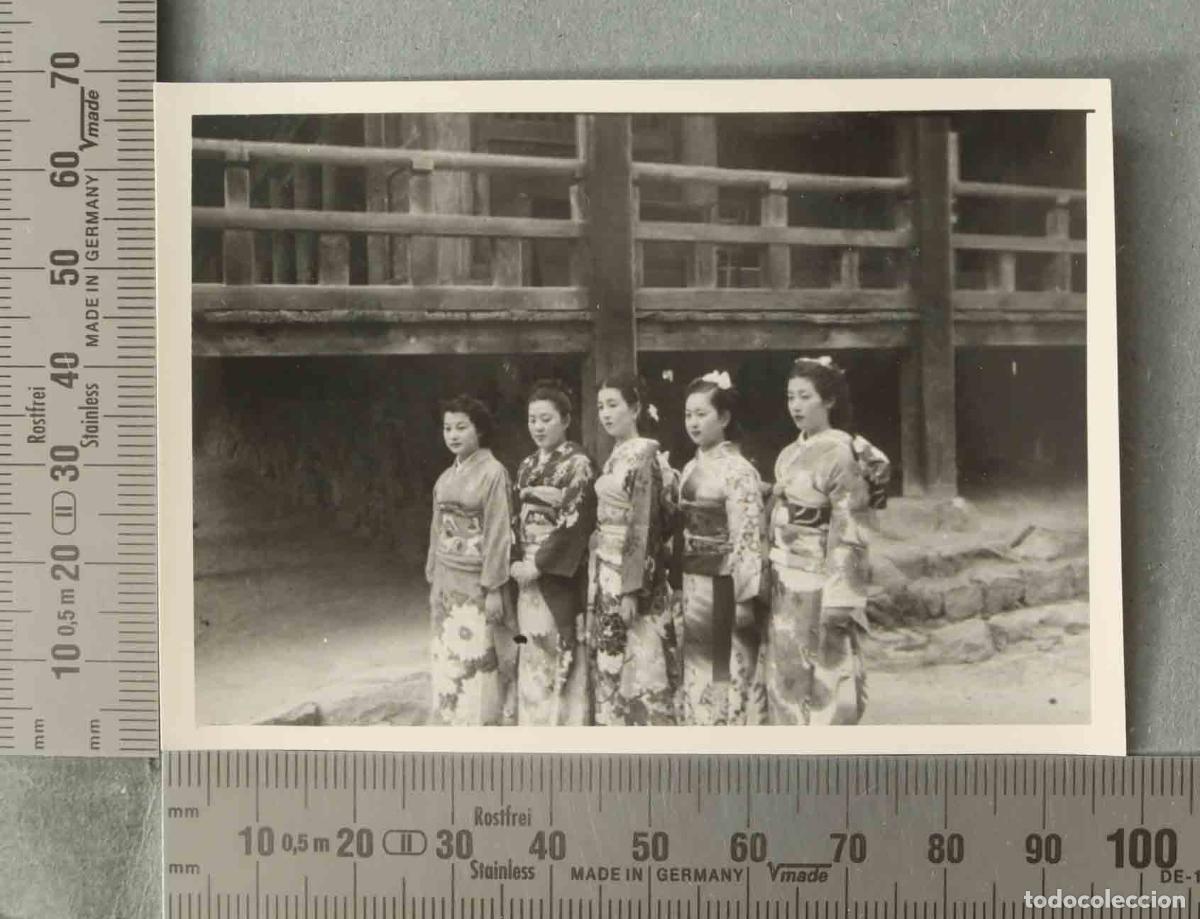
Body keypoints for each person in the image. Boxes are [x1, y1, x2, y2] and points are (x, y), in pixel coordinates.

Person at [760, 356, 886, 725]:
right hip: (785, 579)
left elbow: (849, 531)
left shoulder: (841, 454)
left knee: (823, 678)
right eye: (791, 397)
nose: (795, 406)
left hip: (820, 582)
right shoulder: (788, 454)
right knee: (785, 674)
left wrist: (840, 600)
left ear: (829, 401)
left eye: (805, 396)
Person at [675, 371, 765, 725]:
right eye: (688, 415)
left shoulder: (738, 470)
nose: (693, 422)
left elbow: (747, 534)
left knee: (725, 666)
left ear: (724, 418)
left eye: (702, 414)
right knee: (698, 664)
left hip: (726, 581)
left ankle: (724, 734)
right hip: (694, 578)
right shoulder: (689, 467)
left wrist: (745, 597)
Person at [590, 374, 679, 726]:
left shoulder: (644, 454)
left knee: (641, 659)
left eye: (613, 405)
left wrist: (632, 589)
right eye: (601, 406)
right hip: (608, 567)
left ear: (635, 408)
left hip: (633, 575)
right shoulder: (617, 455)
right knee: (615, 658)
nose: (605, 413)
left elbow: (645, 525)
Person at [510, 380, 597, 726]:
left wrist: (539, 564)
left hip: (557, 574)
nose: (538, 427)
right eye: (532, 420)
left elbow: (575, 522)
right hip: (527, 573)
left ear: (566, 420)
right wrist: (516, 560)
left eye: (546, 419)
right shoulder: (526, 465)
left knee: (559, 649)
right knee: (532, 652)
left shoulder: (579, 464)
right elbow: (515, 517)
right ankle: (533, 727)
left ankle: (564, 730)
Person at [426, 395, 516, 726]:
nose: (453, 435)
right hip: (447, 578)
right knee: (448, 656)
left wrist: (493, 588)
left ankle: (480, 728)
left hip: (477, 580)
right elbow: (437, 530)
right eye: (447, 428)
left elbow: (498, 533)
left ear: (479, 430)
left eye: (461, 427)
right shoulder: (445, 478)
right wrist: (434, 575)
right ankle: (451, 724)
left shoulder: (493, 473)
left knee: (477, 654)